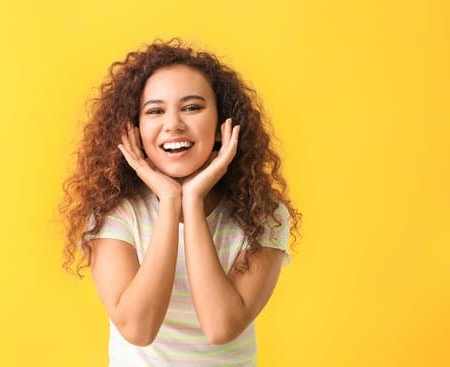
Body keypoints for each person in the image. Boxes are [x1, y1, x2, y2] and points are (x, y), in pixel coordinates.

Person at [59, 39, 301, 366]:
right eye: (155, 111)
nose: (173, 124)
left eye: (191, 108)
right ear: (136, 131)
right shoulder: (115, 212)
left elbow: (221, 326)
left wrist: (193, 201)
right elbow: (138, 329)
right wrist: (172, 201)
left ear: (221, 126)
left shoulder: (264, 215)